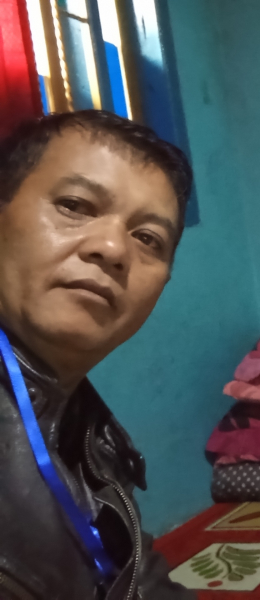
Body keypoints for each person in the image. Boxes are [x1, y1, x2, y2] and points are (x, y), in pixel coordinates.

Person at [0, 111, 196, 599]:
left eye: (147, 238)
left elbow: (137, 581)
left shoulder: (91, 439)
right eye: (75, 205)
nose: (112, 248)